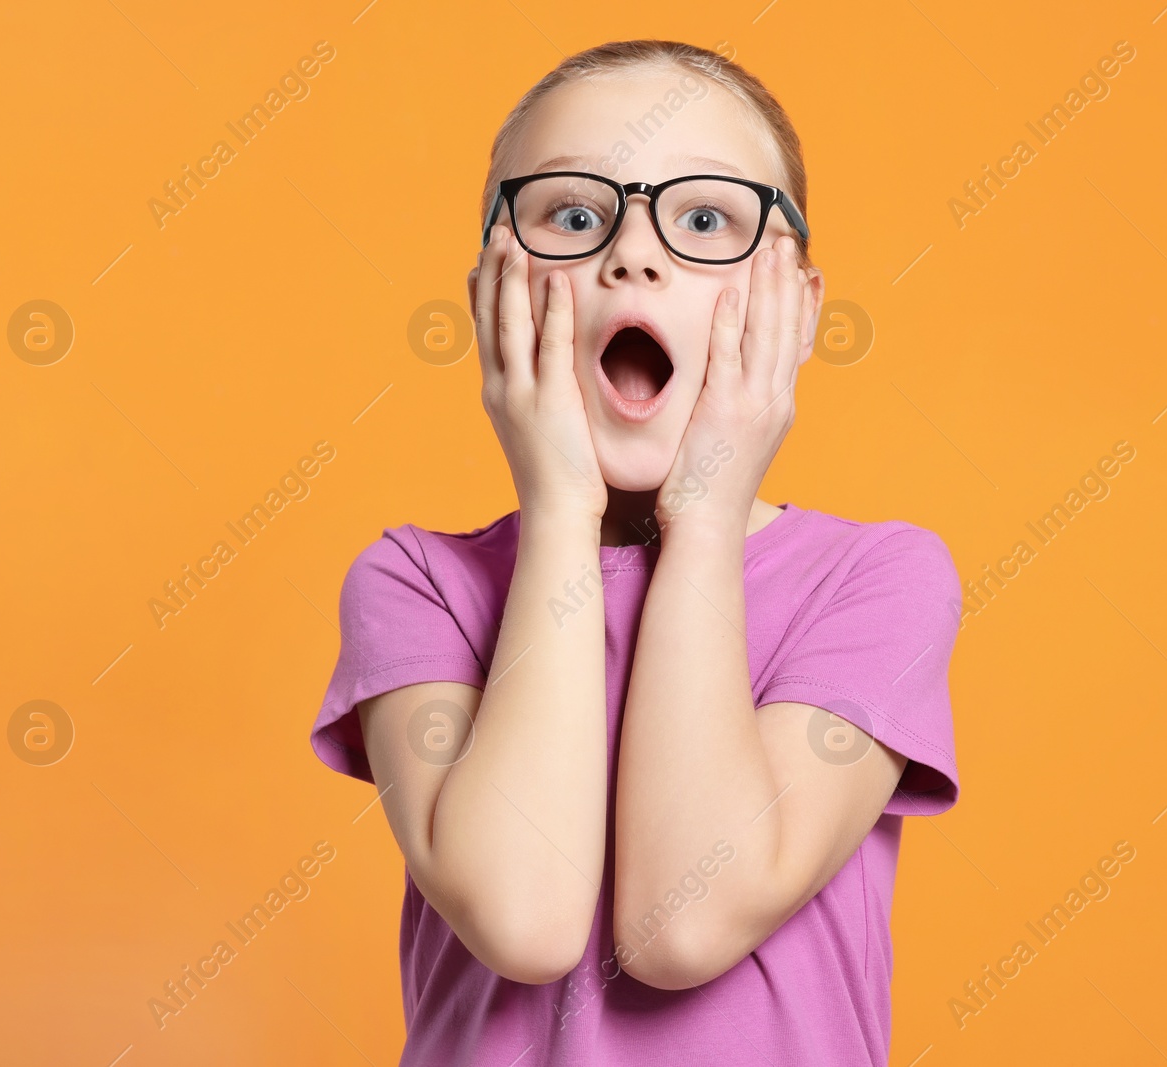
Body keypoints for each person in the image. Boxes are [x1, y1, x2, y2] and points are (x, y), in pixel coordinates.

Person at [309, 38, 963, 1067]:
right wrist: (560, 505)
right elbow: (522, 916)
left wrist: (703, 511)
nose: (634, 254)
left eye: (705, 219)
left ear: (797, 308)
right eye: (573, 214)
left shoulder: (878, 580)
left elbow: (685, 919)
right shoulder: (417, 583)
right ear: (491, 291)